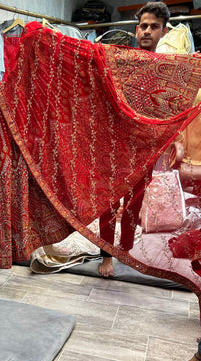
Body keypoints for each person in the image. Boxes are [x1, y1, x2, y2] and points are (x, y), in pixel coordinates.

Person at [98, 1, 169, 278]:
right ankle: (106, 255)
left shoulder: (168, 68)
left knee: (134, 204)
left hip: (147, 146)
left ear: (164, 32)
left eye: (154, 27)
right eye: (143, 26)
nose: (147, 31)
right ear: (136, 29)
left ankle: (125, 250)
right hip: (116, 143)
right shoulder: (120, 59)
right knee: (108, 202)